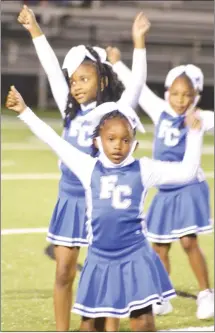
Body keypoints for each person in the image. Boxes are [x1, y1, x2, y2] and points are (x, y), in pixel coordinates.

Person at [6, 85, 204, 332]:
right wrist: (24, 110)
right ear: (97, 141)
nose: (118, 146)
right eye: (111, 139)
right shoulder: (87, 167)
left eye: (125, 140)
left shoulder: (143, 169)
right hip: (100, 258)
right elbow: (53, 139)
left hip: (135, 256)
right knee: (90, 327)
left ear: (134, 143)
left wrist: (195, 135)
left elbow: (187, 172)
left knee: (142, 322)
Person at [17, 6, 149, 331]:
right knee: (63, 271)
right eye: (72, 80)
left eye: (83, 79)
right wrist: (34, 29)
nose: (75, 86)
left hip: (99, 204)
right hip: (68, 202)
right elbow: (50, 67)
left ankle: (96, 324)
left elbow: (136, 87)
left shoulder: (112, 112)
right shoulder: (69, 109)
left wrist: (139, 45)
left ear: (101, 79)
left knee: (99, 272)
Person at [106, 47, 214, 319]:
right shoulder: (160, 110)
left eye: (187, 95)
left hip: (188, 187)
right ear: (168, 92)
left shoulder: (201, 117)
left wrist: (198, 123)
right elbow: (138, 88)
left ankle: (206, 295)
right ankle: (162, 297)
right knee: (158, 245)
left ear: (196, 95)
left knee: (188, 242)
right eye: (176, 93)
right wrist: (118, 63)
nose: (180, 100)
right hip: (165, 190)